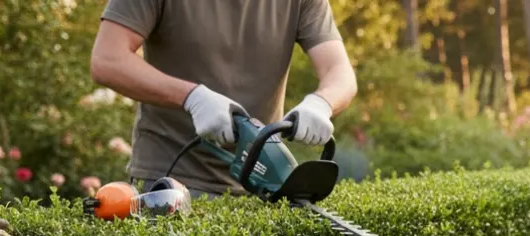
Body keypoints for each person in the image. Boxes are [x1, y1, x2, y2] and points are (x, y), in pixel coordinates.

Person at [89, 0, 357, 196]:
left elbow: (339, 72)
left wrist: (321, 103)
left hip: (262, 184)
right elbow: (108, 60)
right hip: (171, 183)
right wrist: (192, 98)